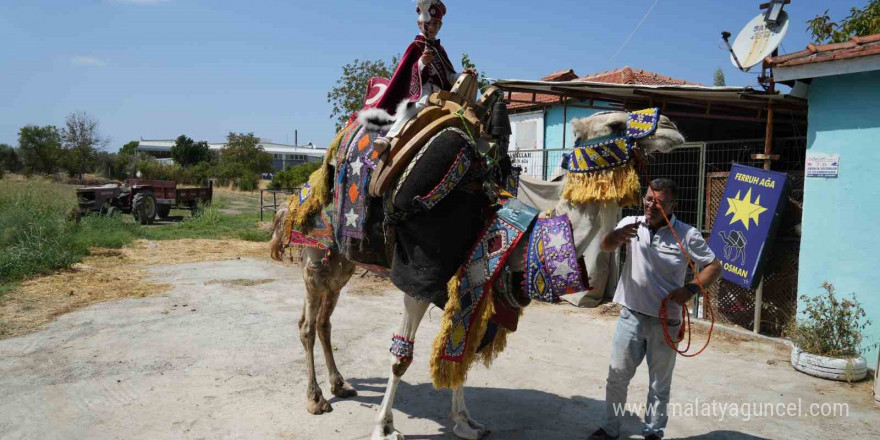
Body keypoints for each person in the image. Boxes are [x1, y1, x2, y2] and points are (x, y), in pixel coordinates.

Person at [588, 178, 722, 440]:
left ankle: (653, 432)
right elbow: (605, 245)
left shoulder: (687, 234)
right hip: (630, 317)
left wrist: (691, 289)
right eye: (649, 199)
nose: (652, 205)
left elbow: (714, 266)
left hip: (666, 322)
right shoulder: (630, 225)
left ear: (674, 204)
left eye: (660, 202)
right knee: (617, 378)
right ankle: (609, 428)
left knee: (659, 385)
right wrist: (614, 237)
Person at [371, 0, 473, 152]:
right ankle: (389, 137)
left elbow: (449, 76)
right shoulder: (416, 46)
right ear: (420, 24)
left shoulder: (439, 50)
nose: (432, 28)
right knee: (417, 106)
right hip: (421, 91)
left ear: (441, 26)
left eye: (437, 24)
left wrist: (463, 75)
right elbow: (407, 73)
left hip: (441, 94)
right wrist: (422, 63)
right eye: (429, 23)